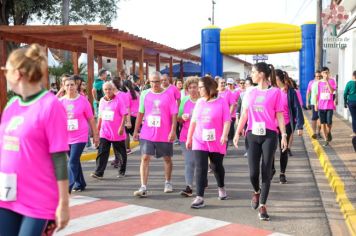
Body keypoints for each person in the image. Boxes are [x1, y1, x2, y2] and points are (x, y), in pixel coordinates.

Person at [0, 44, 70, 234]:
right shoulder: (12, 105)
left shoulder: (50, 106)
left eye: (6, 70)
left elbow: (60, 158)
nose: (4, 74)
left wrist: (63, 203)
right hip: (7, 196)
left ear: (19, 73)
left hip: (38, 201)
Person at [233, 62, 287, 221]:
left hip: (269, 135)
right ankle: (256, 191)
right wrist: (237, 133)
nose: (251, 75)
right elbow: (244, 115)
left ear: (262, 74)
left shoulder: (276, 92)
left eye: (254, 72)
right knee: (253, 173)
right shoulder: (249, 91)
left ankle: (263, 205)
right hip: (252, 134)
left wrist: (283, 134)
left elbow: (279, 115)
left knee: (266, 172)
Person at [186, 76, 231, 209]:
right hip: (199, 140)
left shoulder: (221, 102)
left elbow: (227, 120)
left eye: (200, 87)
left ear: (209, 88)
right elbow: (193, 122)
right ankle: (199, 197)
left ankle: (221, 187)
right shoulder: (199, 102)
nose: (198, 90)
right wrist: (189, 138)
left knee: (216, 167)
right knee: (200, 167)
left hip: (217, 140)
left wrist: (224, 135)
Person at [133, 71, 178, 197]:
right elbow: (140, 113)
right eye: (152, 81)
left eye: (157, 81)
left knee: (167, 158)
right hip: (147, 132)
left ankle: (168, 182)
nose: (155, 84)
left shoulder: (168, 95)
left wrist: (173, 130)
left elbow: (174, 114)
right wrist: (136, 130)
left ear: (162, 81)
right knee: (145, 157)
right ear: (149, 81)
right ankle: (143, 187)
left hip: (164, 132)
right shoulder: (145, 94)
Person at [59, 77, 99, 193]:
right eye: (67, 85)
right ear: (64, 87)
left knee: (72, 161)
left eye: (72, 85)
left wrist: (95, 135)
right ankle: (80, 183)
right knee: (74, 161)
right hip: (65, 136)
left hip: (80, 136)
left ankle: (68, 186)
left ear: (76, 86)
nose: (70, 87)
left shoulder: (83, 101)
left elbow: (91, 119)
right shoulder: (61, 101)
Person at [272, 69, 304, 184]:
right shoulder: (271, 91)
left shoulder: (290, 92)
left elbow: (297, 108)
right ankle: (271, 169)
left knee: (283, 150)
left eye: (274, 78)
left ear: (279, 78)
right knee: (270, 149)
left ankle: (282, 173)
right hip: (272, 124)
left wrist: (300, 126)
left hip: (286, 124)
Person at [90, 81, 128, 179]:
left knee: (120, 152)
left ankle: (122, 170)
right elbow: (100, 117)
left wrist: (121, 127)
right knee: (102, 152)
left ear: (113, 90)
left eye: (109, 89)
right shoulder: (102, 100)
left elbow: (124, 114)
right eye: (105, 89)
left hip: (116, 131)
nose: (108, 91)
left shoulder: (119, 100)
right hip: (105, 131)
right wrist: (97, 130)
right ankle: (99, 172)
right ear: (103, 90)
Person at [178, 76, 200, 197]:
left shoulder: (203, 100)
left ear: (199, 88)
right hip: (186, 136)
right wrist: (182, 118)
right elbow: (178, 118)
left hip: (201, 136)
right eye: (190, 88)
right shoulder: (185, 101)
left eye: (195, 87)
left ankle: (203, 180)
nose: (192, 90)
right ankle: (189, 187)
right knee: (189, 161)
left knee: (200, 162)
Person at [315, 67, 337, 147]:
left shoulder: (332, 81)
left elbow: (331, 91)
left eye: (327, 72)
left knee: (329, 122)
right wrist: (316, 104)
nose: (326, 74)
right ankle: (326, 139)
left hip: (329, 105)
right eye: (324, 73)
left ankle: (329, 132)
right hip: (321, 106)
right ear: (322, 73)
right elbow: (317, 94)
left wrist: (327, 81)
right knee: (322, 123)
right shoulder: (319, 83)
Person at [123, 79, 140, 154]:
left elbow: (128, 108)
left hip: (130, 115)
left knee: (126, 132)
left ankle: (127, 149)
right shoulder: (137, 93)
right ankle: (146, 144)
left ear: (125, 86)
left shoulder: (127, 95)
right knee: (135, 132)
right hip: (137, 115)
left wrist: (128, 120)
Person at [306, 71, 322, 139]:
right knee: (314, 117)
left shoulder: (322, 82)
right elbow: (308, 92)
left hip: (322, 102)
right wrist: (307, 102)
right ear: (314, 76)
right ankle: (314, 133)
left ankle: (318, 132)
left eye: (319, 76)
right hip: (313, 102)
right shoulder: (311, 82)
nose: (318, 77)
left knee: (320, 118)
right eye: (316, 76)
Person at [226, 78, 240, 145]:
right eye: (228, 84)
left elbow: (238, 101)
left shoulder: (236, 92)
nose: (229, 85)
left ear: (233, 84)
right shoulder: (225, 91)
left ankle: (231, 139)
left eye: (230, 84)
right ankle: (227, 138)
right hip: (226, 111)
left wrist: (235, 103)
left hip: (233, 112)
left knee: (231, 126)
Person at [343, 70, 356, 137]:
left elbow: (345, 93)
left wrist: (345, 102)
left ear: (353, 76)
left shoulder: (349, 83)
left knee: (354, 118)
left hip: (351, 102)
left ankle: (354, 132)